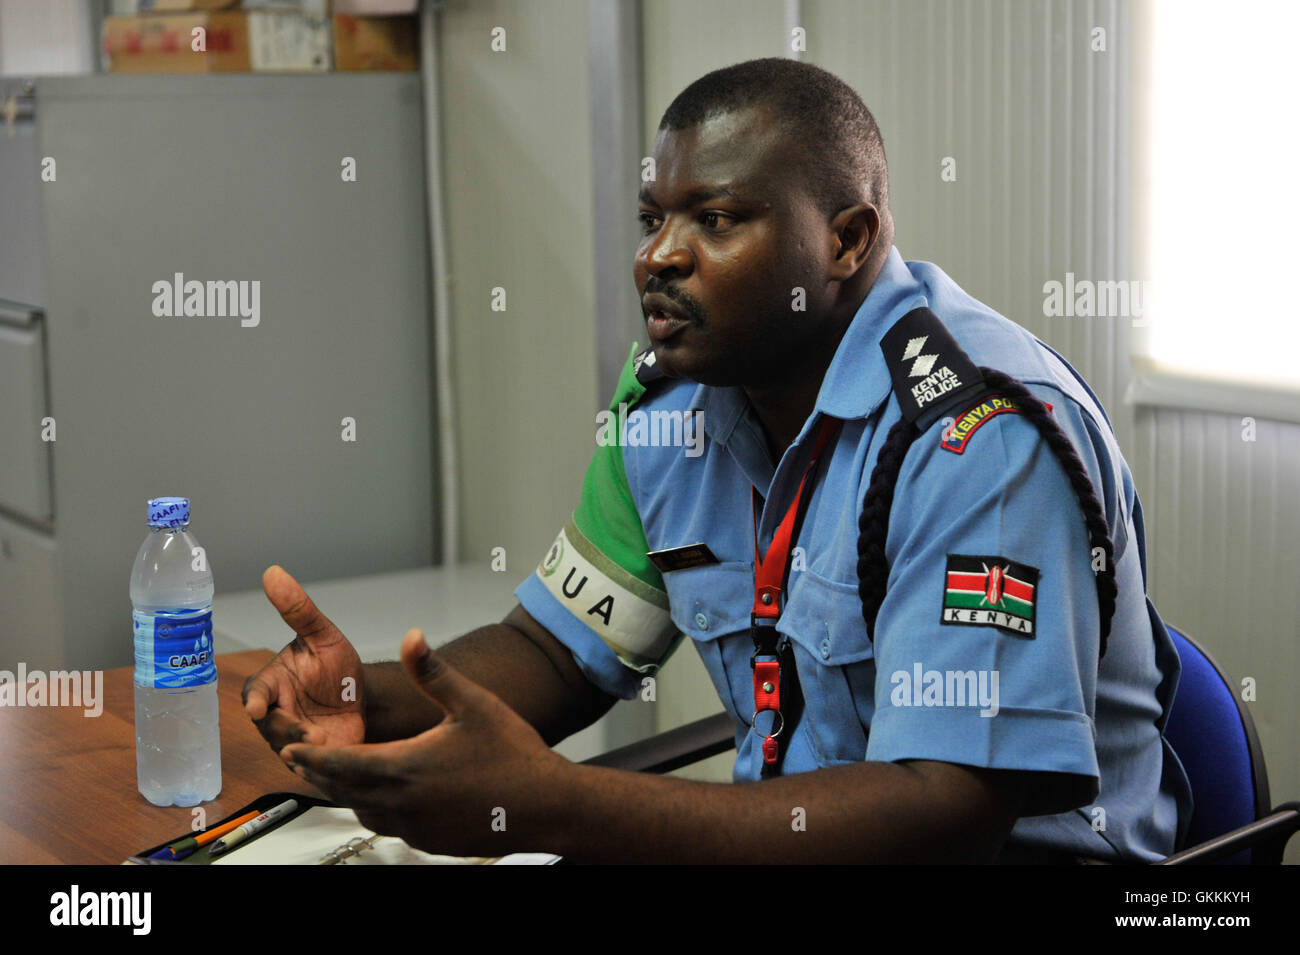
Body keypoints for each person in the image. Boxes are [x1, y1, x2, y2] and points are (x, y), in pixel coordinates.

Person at [243, 58, 1192, 864]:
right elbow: (555, 650)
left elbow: (944, 808)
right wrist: (361, 692)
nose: (659, 256)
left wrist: (554, 805)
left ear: (847, 240)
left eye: (717, 219)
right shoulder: (671, 399)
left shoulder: (976, 436)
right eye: (654, 216)